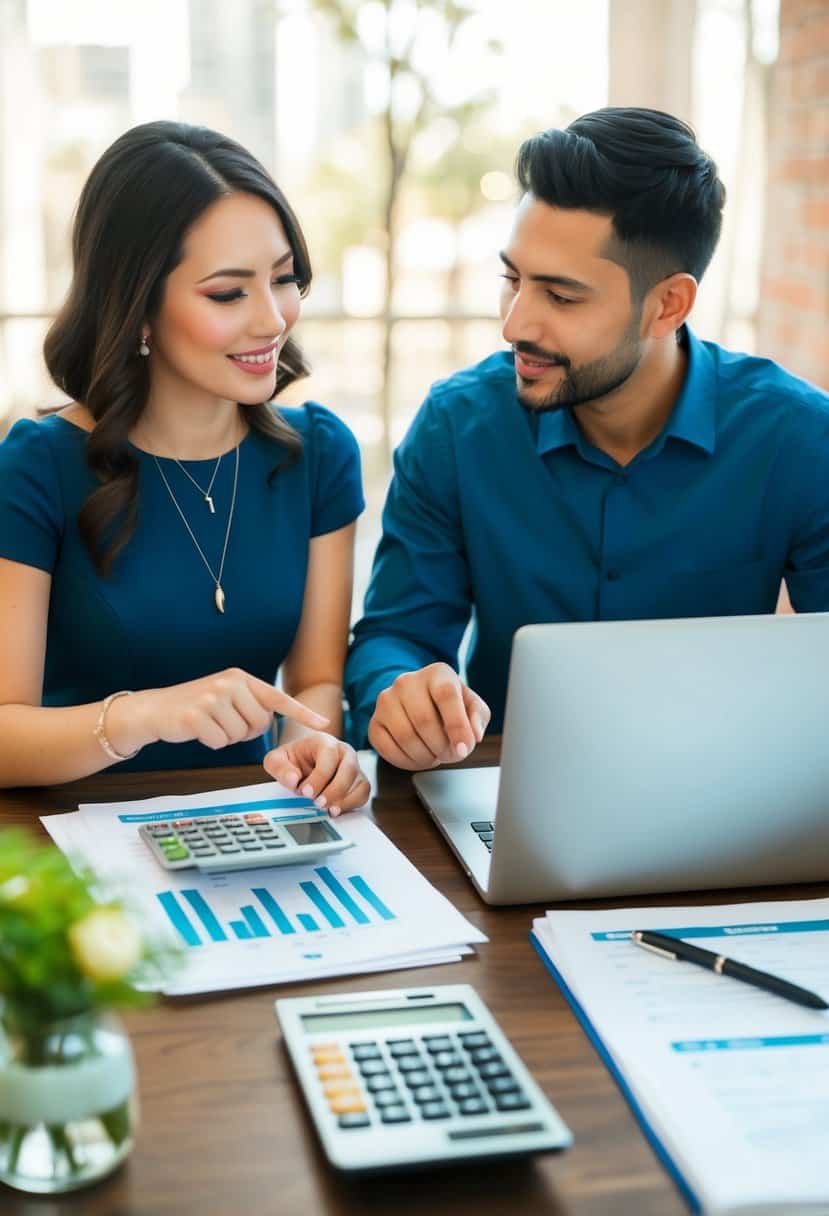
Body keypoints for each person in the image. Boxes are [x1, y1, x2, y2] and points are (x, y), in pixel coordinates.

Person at [346, 106, 829, 772]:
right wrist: (395, 692)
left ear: (667, 306)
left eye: (561, 297)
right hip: (501, 791)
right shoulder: (457, 426)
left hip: (722, 792)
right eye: (511, 279)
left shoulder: (797, 439)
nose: (515, 322)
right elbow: (395, 635)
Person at [0, 120, 370, 813]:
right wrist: (145, 716)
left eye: (284, 279)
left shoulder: (318, 452)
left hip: (251, 827)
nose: (272, 319)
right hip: (78, 844)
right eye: (228, 294)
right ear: (138, 305)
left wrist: (317, 748)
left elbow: (315, 681)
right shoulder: (36, 467)